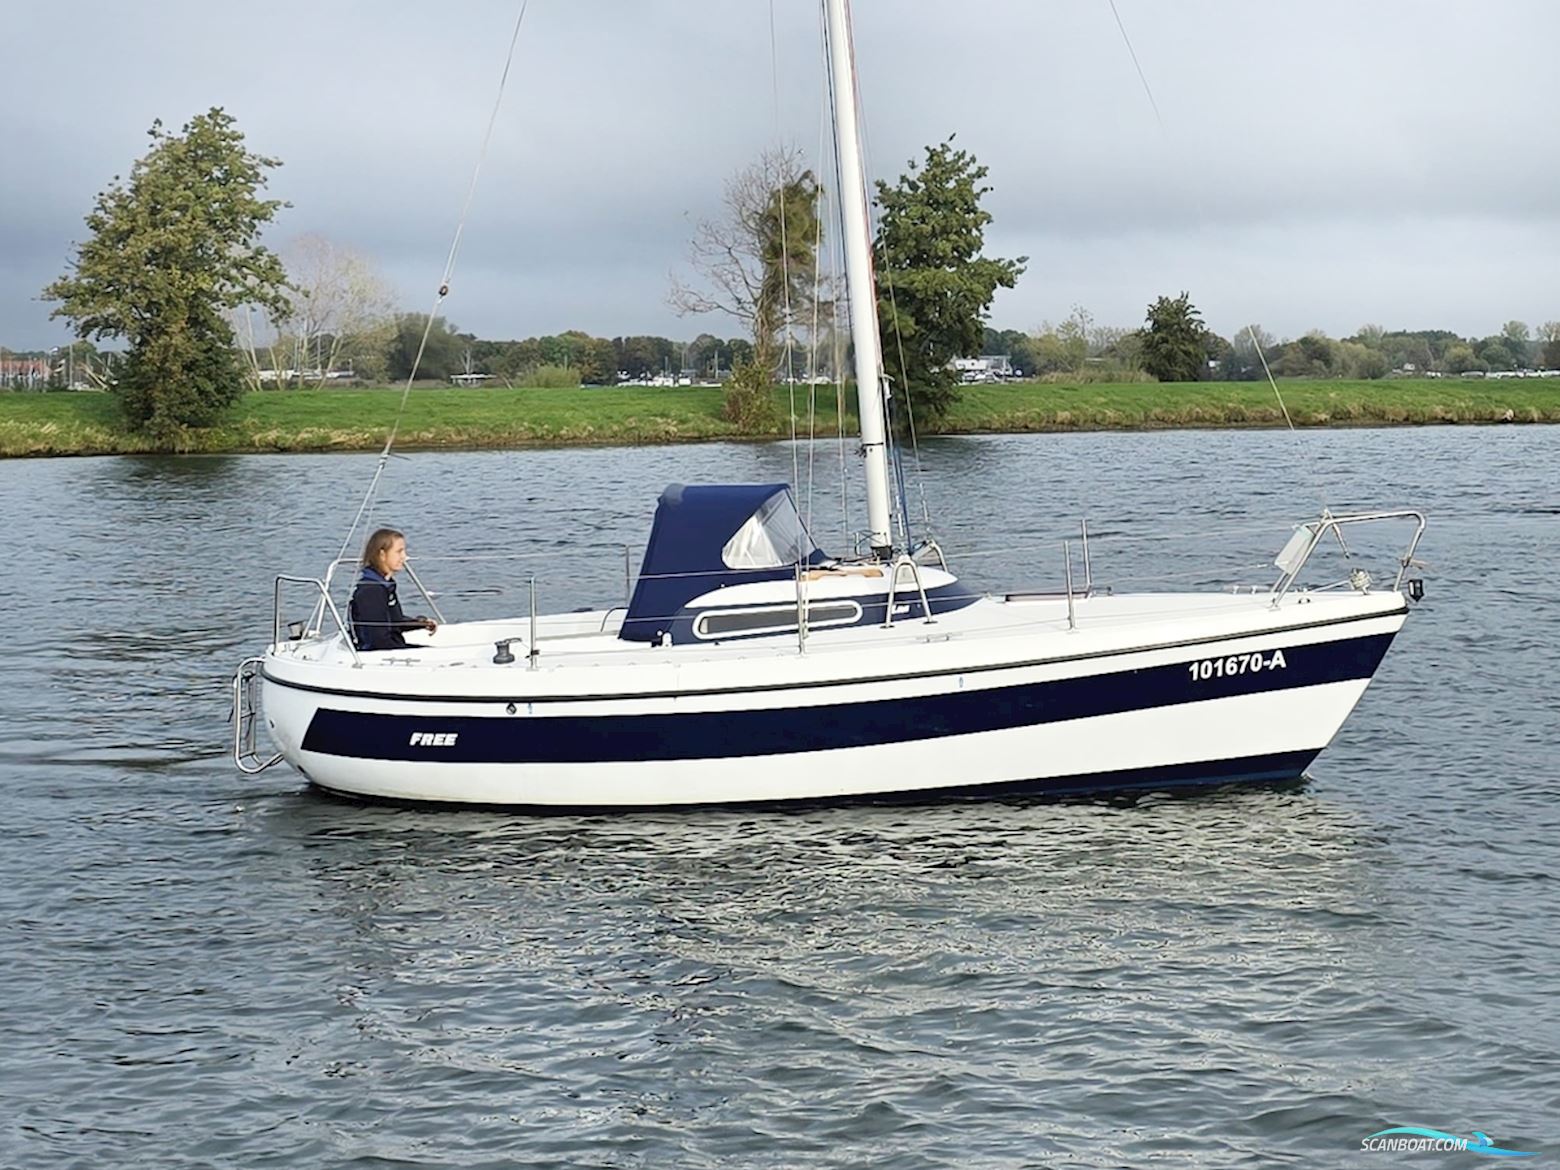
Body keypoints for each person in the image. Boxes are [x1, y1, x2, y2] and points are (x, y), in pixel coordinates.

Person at [349, 528, 438, 651]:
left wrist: (421, 623)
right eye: (399, 552)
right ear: (382, 555)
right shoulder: (371, 590)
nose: (404, 557)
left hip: (392, 647)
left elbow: (394, 621)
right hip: (380, 654)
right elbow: (378, 640)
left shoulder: (385, 584)